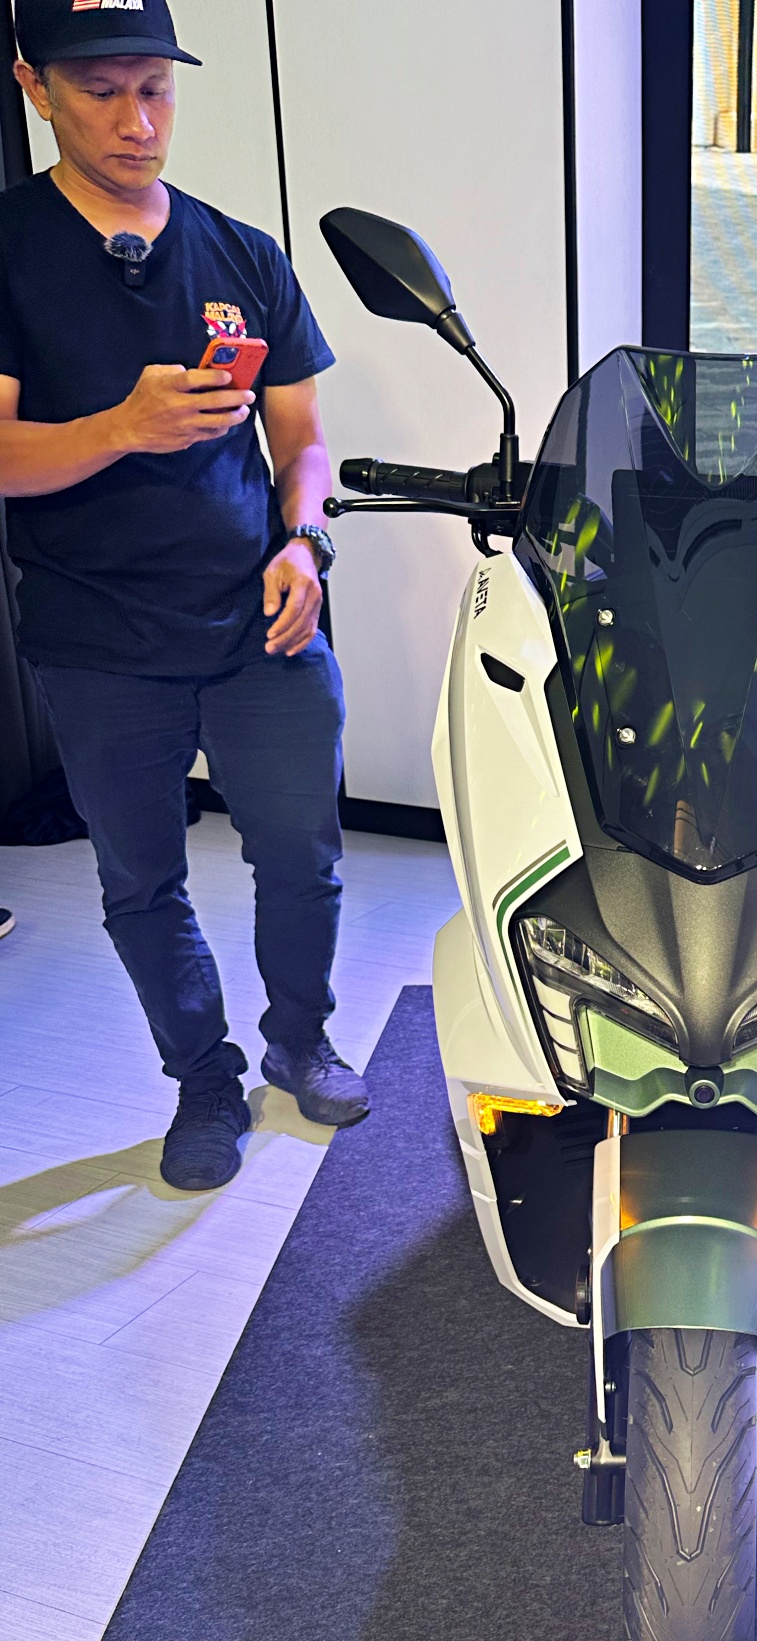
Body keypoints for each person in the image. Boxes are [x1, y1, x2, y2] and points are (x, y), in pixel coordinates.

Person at [0, 0, 366, 1192]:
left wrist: (305, 541)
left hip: (264, 617)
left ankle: (300, 1040)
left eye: (154, 88)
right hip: (98, 638)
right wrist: (120, 427)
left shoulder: (241, 252)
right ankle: (204, 1079)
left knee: (303, 854)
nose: (137, 120)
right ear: (35, 87)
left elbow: (303, 437)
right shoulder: (11, 250)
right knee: (141, 882)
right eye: (101, 90)